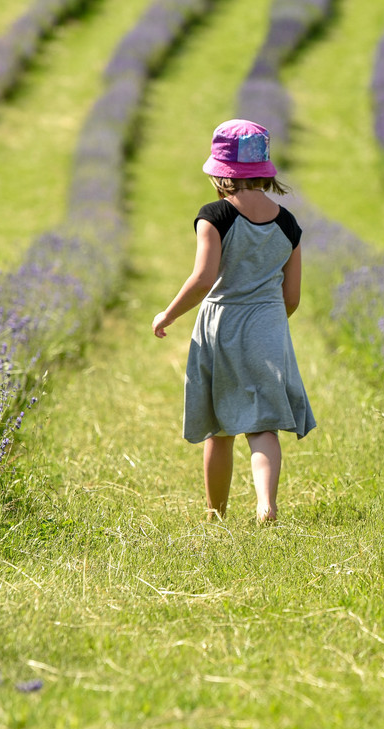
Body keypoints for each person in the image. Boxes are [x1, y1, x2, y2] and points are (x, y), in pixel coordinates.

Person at [152, 119, 316, 523]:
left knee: (219, 429)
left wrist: (167, 313)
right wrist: (270, 323)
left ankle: (216, 513)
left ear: (221, 173)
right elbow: (291, 296)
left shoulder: (215, 216)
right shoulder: (288, 224)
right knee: (263, 426)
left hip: (221, 326)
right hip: (269, 327)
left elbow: (204, 279)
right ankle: (266, 505)